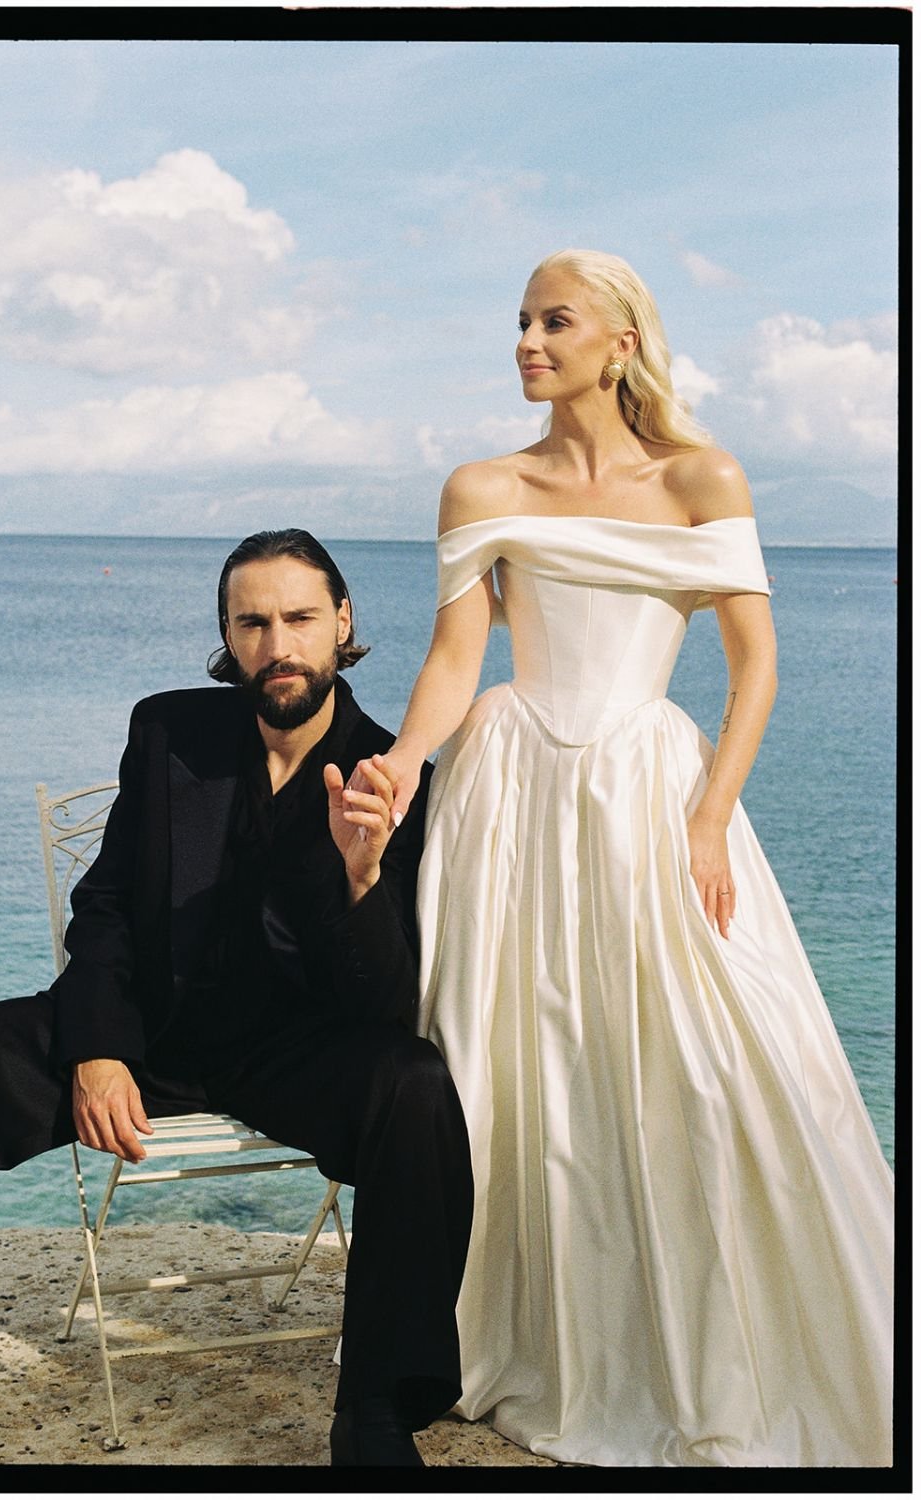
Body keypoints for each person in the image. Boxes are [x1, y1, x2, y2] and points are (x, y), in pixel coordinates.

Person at [375, 250, 894, 1467]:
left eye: (555, 320)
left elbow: (755, 665)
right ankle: (522, 1334)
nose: (526, 341)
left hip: (646, 787)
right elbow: (460, 660)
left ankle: (715, 1345)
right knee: (514, 1070)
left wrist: (710, 815)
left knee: (706, 1059)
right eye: (518, 321)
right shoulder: (477, 484)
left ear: (622, 341)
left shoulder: (701, 475)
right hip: (508, 791)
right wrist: (403, 765)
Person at [0, 528, 474, 1471]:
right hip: (146, 1030)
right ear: (228, 635)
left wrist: (357, 887)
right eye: (253, 622)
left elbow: (384, 1003)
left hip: (292, 1053)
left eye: (300, 618)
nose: (278, 645)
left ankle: (378, 1415)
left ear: (343, 624)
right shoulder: (170, 728)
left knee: (418, 1085)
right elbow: (103, 907)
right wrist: (97, 1047)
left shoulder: (392, 777)